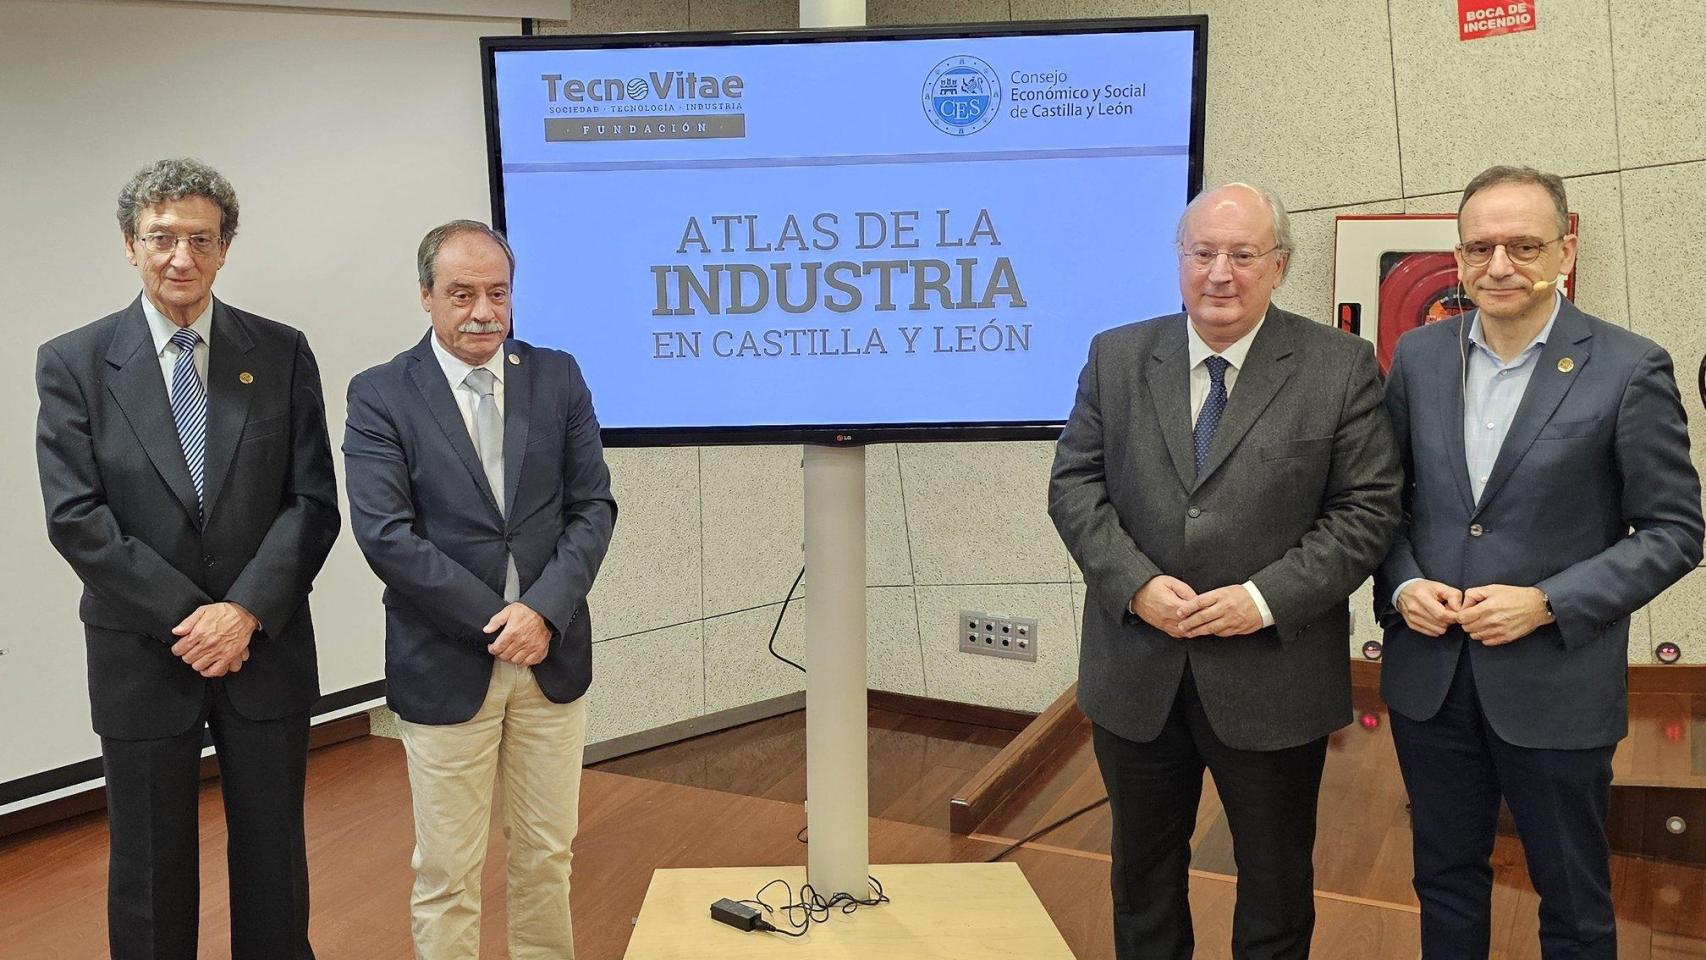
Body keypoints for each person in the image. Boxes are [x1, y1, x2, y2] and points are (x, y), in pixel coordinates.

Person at [1049, 182, 1402, 960]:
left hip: (1272, 677)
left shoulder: (1339, 367)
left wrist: (1262, 598)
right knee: (1141, 882)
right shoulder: (1116, 355)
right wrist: (1135, 584)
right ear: (1179, 260)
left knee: (1275, 889)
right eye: (1203, 253)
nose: (1220, 272)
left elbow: (1368, 511)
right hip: (1136, 673)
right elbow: (1074, 487)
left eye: (1243, 255)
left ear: (1279, 266)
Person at [1375, 165, 1703, 959]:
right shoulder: (1417, 358)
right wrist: (1404, 580)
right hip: (1431, 681)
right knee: (1444, 882)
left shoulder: (1629, 368)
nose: (1499, 266)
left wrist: (1548, 601)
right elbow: (1381, 505)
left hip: (1553, 683)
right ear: (1456, 255)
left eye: (1524, 245)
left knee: (1574, 897)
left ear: (1566, 248)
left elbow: (1675, 530)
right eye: (1480, 246)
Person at [34, 158, 340, 960]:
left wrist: (241, 615)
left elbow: (312, 504)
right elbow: (76, 518)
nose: (181, 257)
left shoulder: (280, 352)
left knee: (275, 861)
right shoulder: (74, 363)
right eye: (161, 238)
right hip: (143, 654)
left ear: (225, 247)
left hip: (262, 649)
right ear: (129, 245)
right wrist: (192, 619)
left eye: (200, 239)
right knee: (147, 869)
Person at [343, 219, 616, 960]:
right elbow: (386, 535)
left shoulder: (557, 375)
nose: (483, 312)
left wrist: (544, 612)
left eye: (497, 292)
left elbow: (592, 506)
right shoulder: (380, 395)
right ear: (426, 296)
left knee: (547, 856)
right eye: (461, 294)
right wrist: (503, 619)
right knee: (447, 872)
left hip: (552, 660)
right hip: (445, 661)